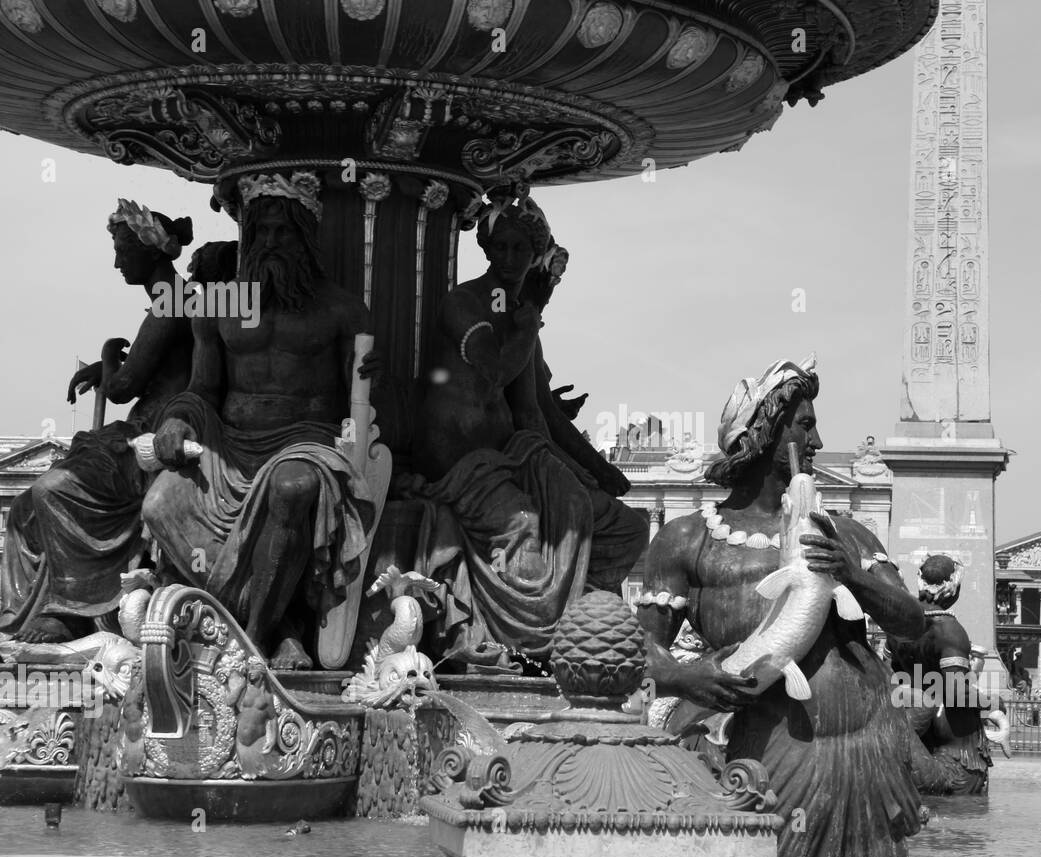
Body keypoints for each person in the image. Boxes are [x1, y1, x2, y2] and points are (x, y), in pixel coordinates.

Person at [639, 357, 927, 857]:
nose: (816, 442)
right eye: (806, 425)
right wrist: (686, 680)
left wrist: (852, 574)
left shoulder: (844, 533)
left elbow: (912, 623)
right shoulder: (688, 540)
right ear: (766, 432)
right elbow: (640, 654)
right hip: (770, 756)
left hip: (867, 749)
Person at [143, 172, 378, 667]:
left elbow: (363, 406)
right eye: (260, 233)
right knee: (160, 503)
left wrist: (378, 385)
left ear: (305, 237)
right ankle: (280, 625)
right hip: (229, 446)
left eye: (282, 232)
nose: (270, 243)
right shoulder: (217, 307)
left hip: (305, 441)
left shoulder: (341, 311)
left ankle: (251, 641)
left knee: (291, 490)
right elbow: (201, 390)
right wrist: (178, 420)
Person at [410, 189, 646, 664]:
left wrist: (600, 471)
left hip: (514, 454)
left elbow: (540, 413)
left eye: (523, 249)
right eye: (504, 247)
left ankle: (573, 624)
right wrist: (530, 319)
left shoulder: (523, 323)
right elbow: (494, 370)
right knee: (525, 525)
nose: (513, 259)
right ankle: (522, 646)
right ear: (488, 249)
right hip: (460, 461)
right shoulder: (465, 304)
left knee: (627, 527)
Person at [0, 203, 206, 642]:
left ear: (150, 252)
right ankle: (18, 612)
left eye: (121, 250)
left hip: (153, 439)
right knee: (21, 510)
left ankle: (70, 611)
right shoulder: (171, 299)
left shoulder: (172, 301)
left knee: (49, 490)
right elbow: (151, 370)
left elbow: (122, 388)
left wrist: (110, 355)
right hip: (142, 430)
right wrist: (107, 365)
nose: (116, 263)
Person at [889, 554, 993, 794]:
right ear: (952, 585)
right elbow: (956, 691)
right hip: (955, 755)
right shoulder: (950, 631)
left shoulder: (898, 624)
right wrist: (994, 703)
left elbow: (889, 674)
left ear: (920, 581)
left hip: (916, 738)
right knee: (962, 821)